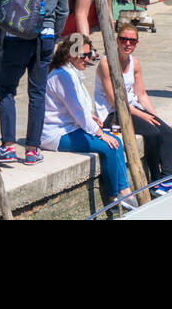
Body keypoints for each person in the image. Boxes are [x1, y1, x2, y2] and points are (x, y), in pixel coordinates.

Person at [0, 0, 66, 165]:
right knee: (37, 92)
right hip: (45, 37)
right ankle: (32, 150)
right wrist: (53, 34)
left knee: (6, 89)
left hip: (17, 35)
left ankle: (8, 146)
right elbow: (63, 9)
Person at [40, 32, 133, 209]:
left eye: (89, 54)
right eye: (83, 55)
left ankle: (125, 191)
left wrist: (91, 117)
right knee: (109, 145)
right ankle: (115, 196)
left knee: (116, 142)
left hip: (70, 127)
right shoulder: (63, 76)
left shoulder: (70, 73)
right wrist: (99, 133)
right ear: (71, 55)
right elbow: (77, 111)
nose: (87, 59)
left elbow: (77, 108)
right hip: (55, 134)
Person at [94, 21, 172, 194]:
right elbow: (114, 101)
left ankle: (167, 180)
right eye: (124, 39)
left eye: (132, 41)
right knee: (152, 133)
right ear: (117, 40)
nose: (128, 44)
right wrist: (144, 116)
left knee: (167, 132)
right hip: (112, 114)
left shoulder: (135, 63)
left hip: (132, 109)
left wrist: (155, 116)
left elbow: (142, 94)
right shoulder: (106, 63)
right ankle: (155, 181)